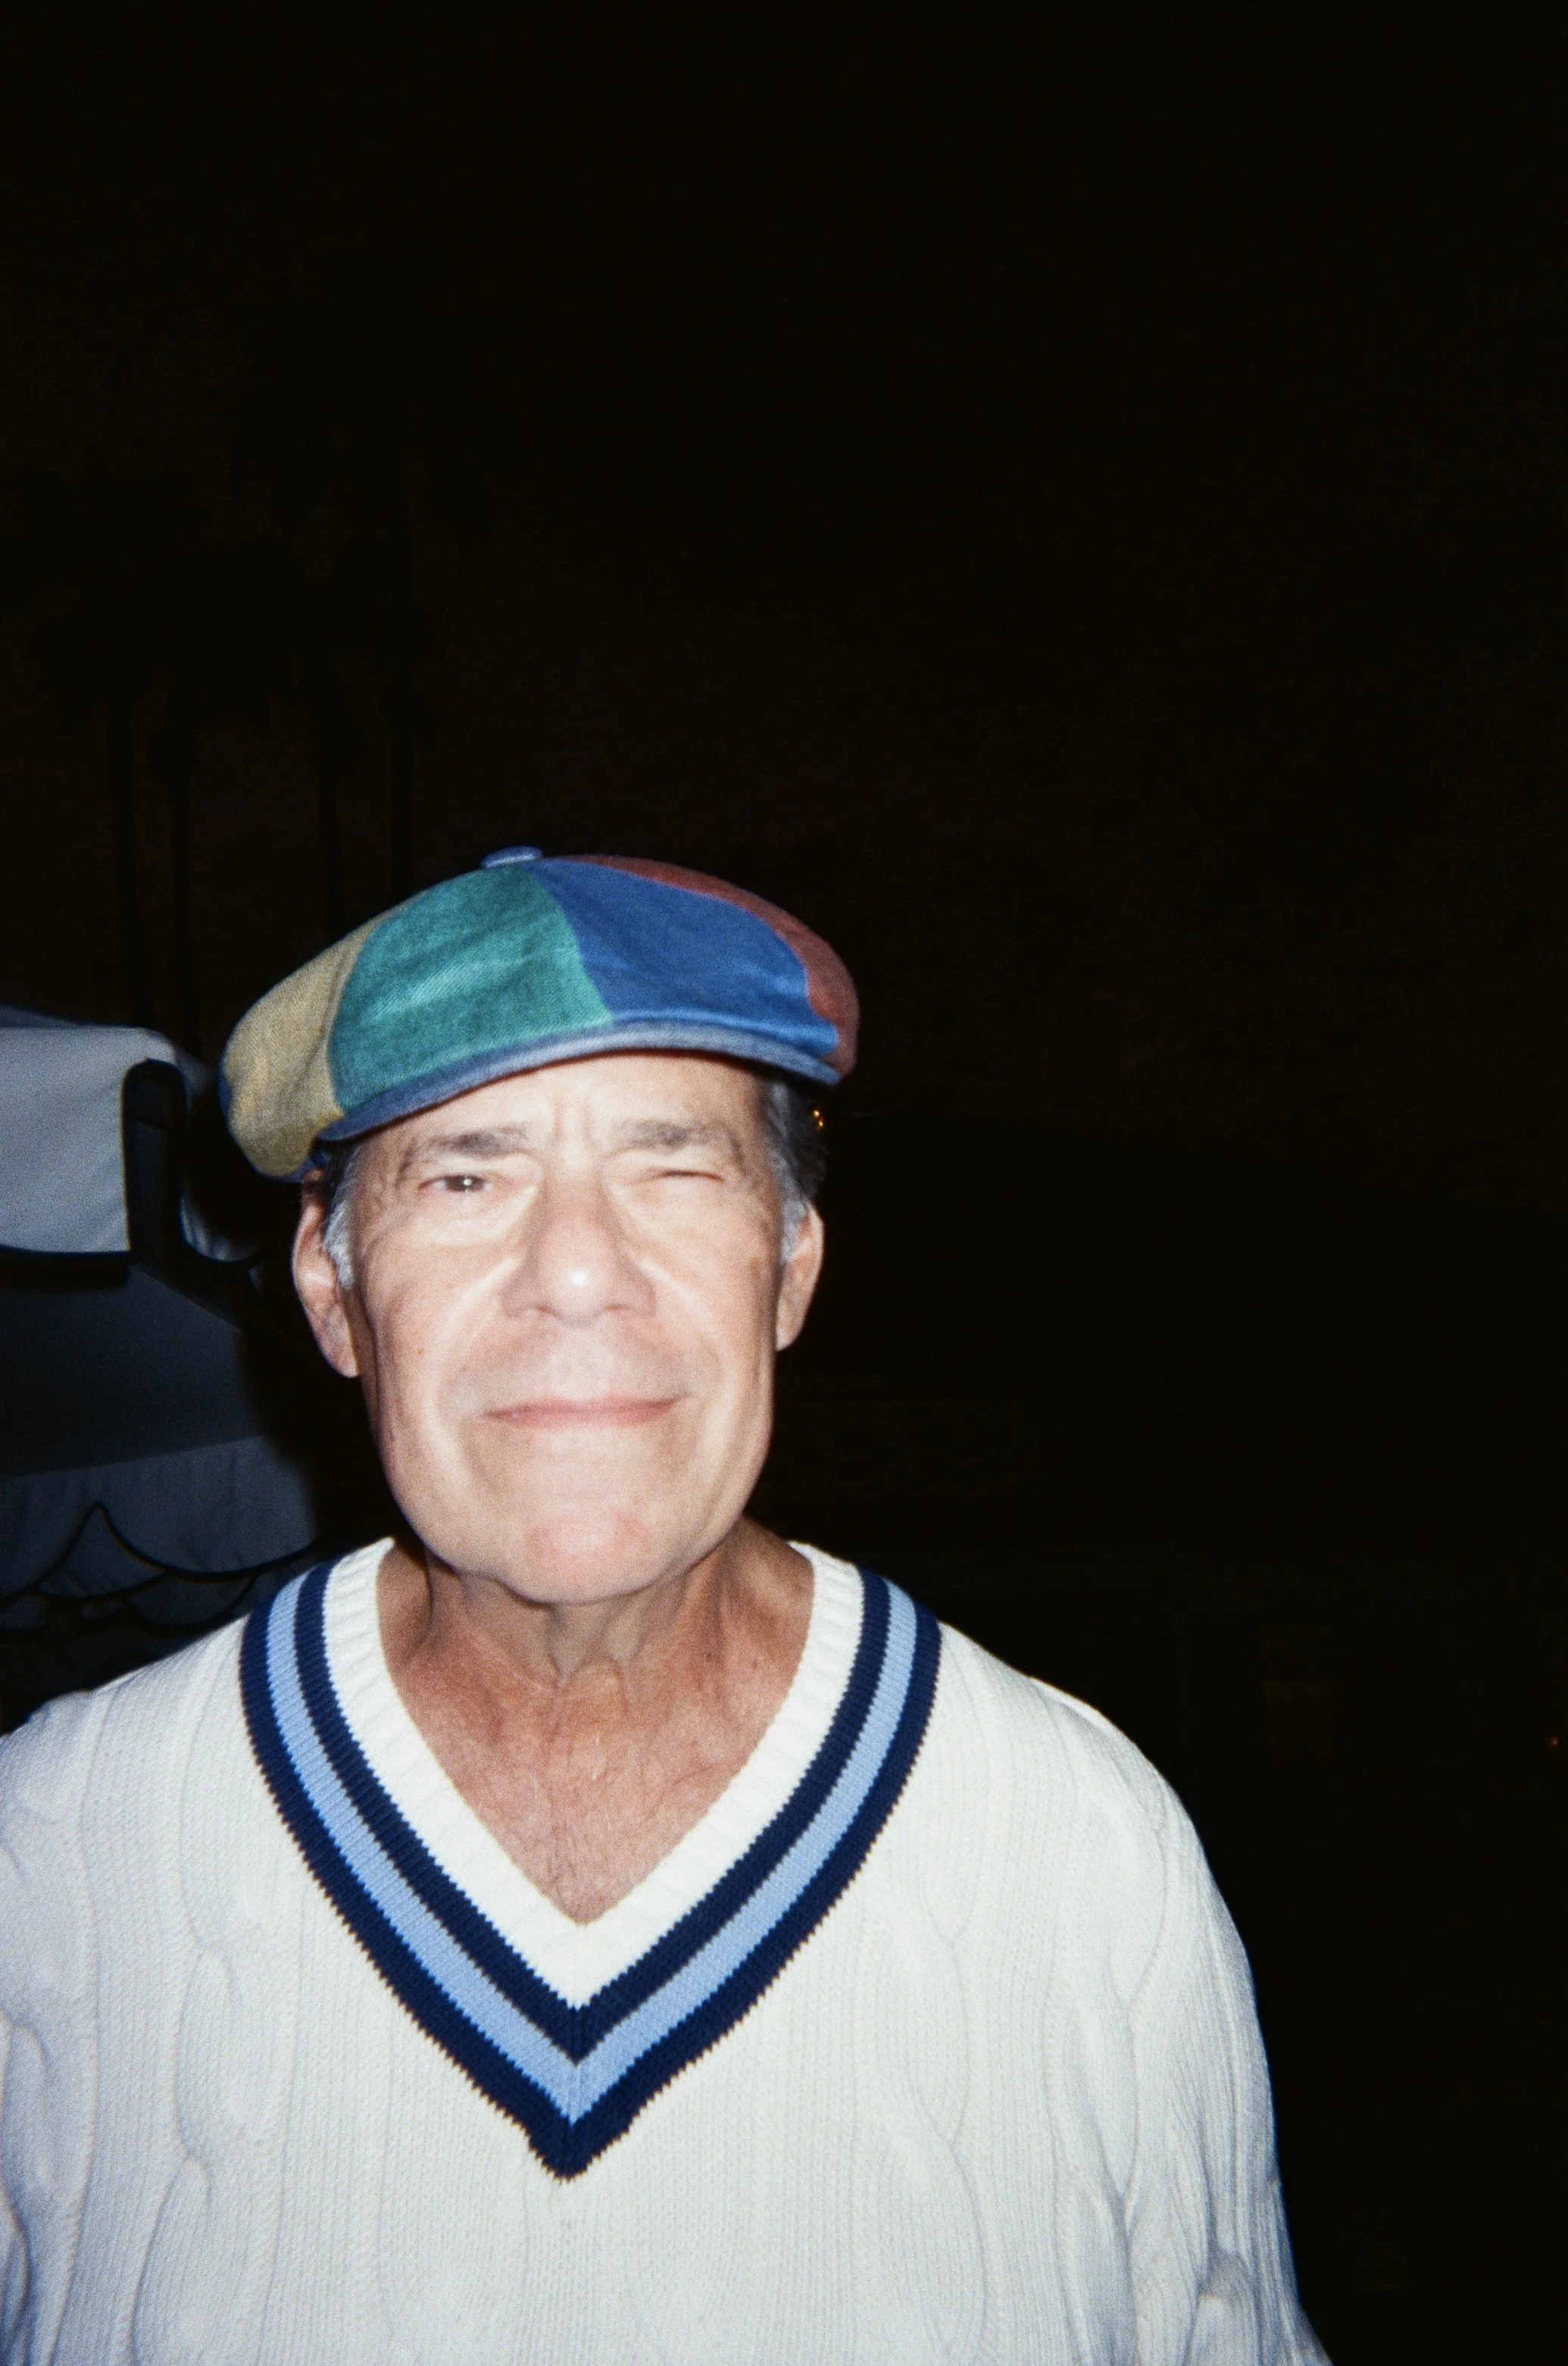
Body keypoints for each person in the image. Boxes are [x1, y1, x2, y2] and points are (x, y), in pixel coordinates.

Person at [0, 849, 1327, 2363]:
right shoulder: (48, 1850)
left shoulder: (1087, 1849)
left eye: (676, 1166)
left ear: (791, 1269)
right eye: (466, 1172)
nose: (576, 1271)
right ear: (330, 1285)